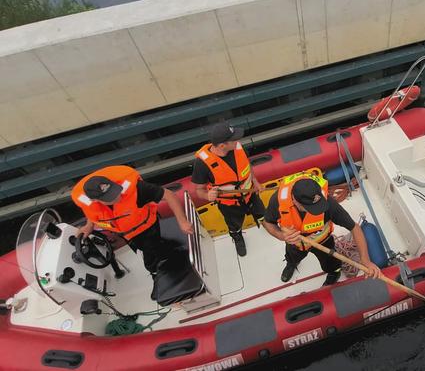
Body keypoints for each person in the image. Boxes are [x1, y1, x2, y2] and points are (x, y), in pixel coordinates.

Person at [263, 172, 381, 286]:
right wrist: (281, 236)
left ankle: (334, 274)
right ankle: (291, 264)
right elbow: (268, 223)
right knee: (292, 257)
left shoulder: (328, 203)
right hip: (295, 244)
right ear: (294, 200)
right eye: (310, 207)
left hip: (323, 242)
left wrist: (365, 260)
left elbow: (354, 227)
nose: (317, 210)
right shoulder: (277, 201)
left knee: (332, 264)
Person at [72, 165, 193, 275]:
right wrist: (89, 225)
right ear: (95, 200)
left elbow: (169, 195)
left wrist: (182, 221)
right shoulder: (88, 203)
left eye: (115, 191)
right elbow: (93, 213)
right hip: (127, 235)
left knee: (152, 261)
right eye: (110, 197)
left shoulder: (139, 189)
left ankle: (162, 274)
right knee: (145, 251)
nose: (117, 196)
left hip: (147, 228)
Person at [191, 121, 265, 256]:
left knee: (261, 213)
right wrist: (208, 196)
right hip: (229, 204)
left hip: (250, 194)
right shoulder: (202, 164)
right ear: (222, 145)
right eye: (234, 139)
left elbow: (247, 167)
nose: (238, 140)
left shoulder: (237, 148)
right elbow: (199, 190)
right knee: (234, 225)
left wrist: (256, 182)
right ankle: (237, 237)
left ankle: (265, 224)